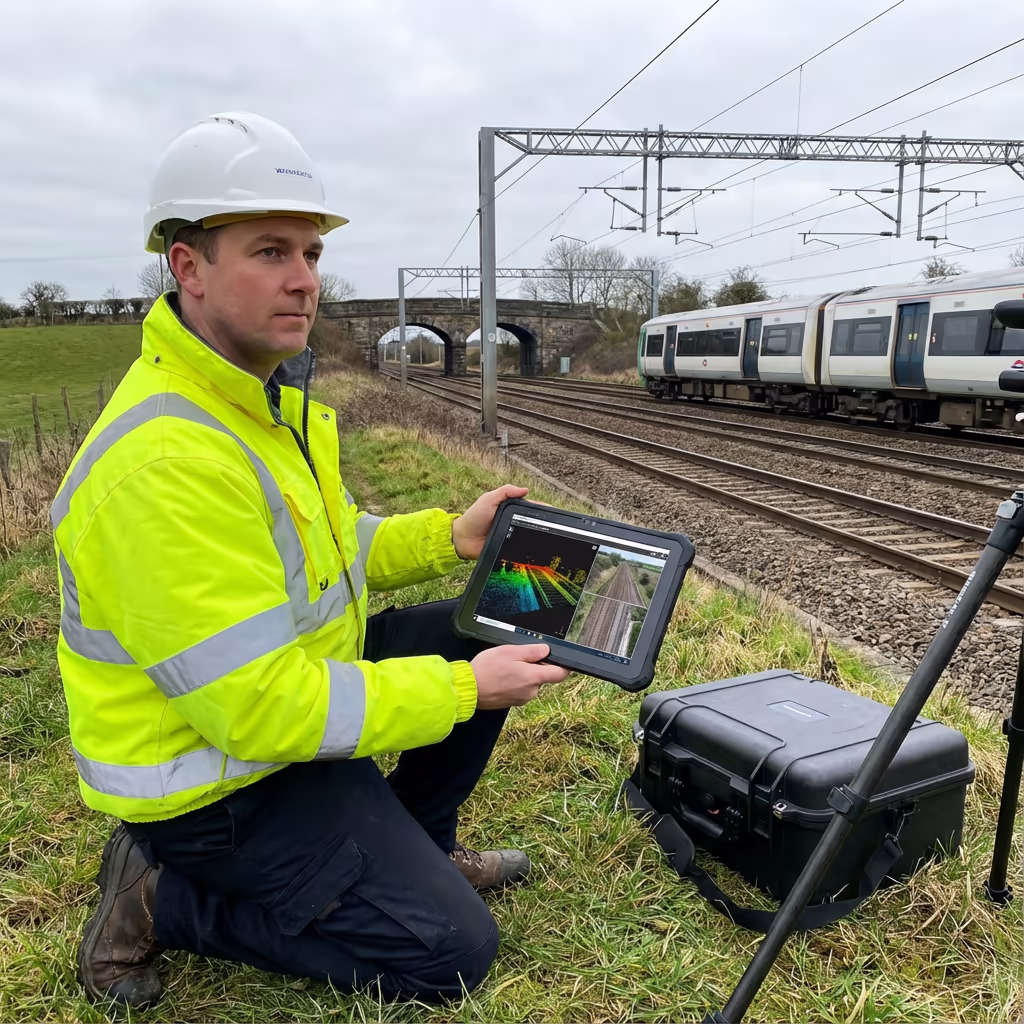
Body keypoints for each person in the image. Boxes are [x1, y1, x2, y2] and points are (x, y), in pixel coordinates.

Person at [52, 111, 569, 1011]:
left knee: (483, 624)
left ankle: (419, 848)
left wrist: (452, 537)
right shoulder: (166, 462)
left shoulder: (251, 402)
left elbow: (328, 550)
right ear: (188, 267)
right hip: (211, 781)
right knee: (449, 954)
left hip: (279, 715)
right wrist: (461, 690)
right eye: (270, 252)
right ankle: (160, 897)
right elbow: (258, 707)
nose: (304, 280)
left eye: (312, 253)